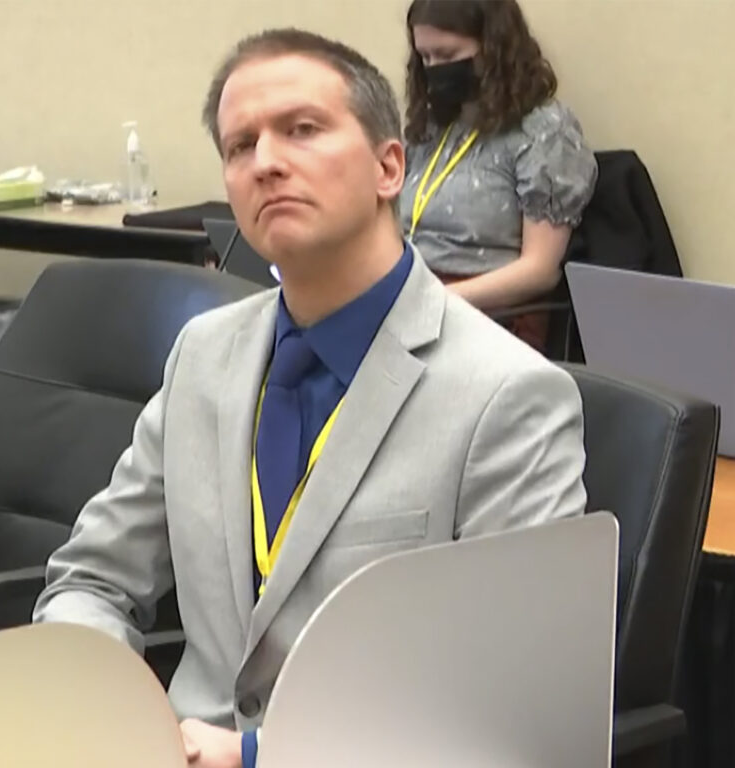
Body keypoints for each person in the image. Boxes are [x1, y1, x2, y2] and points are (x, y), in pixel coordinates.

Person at [34, 28, 587, 768]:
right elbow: (91, 578)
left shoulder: (508, 395)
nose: (266, 162)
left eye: (302, 130)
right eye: (239, 146)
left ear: (390, 166)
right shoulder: (203, 355)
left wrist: (258, 755)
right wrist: (121, 716)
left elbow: (513, 709)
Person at [400, 0, 598, 349]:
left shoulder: (543, 131)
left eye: (447, 56)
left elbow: (539, 271)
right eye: (426, 58)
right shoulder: (434, 127)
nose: (435, 70)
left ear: (494, 50)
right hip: (414, 298)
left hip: (490, 315)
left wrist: (436, 301)